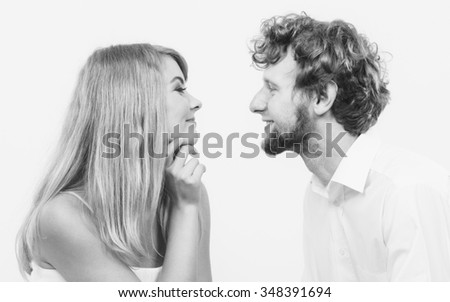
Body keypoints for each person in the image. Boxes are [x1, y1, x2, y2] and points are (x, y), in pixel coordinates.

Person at [249, 13, 450, 281]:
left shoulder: (406, 193)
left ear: (322, 97)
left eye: (272, 88)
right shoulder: (317, 193)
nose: (255, 104)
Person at [16, 44, 211, 281]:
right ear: (136, 106)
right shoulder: (62, 217)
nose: (196, 102)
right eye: (179, 89)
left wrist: (188, 205)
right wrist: (185, 210)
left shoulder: (190, 193)